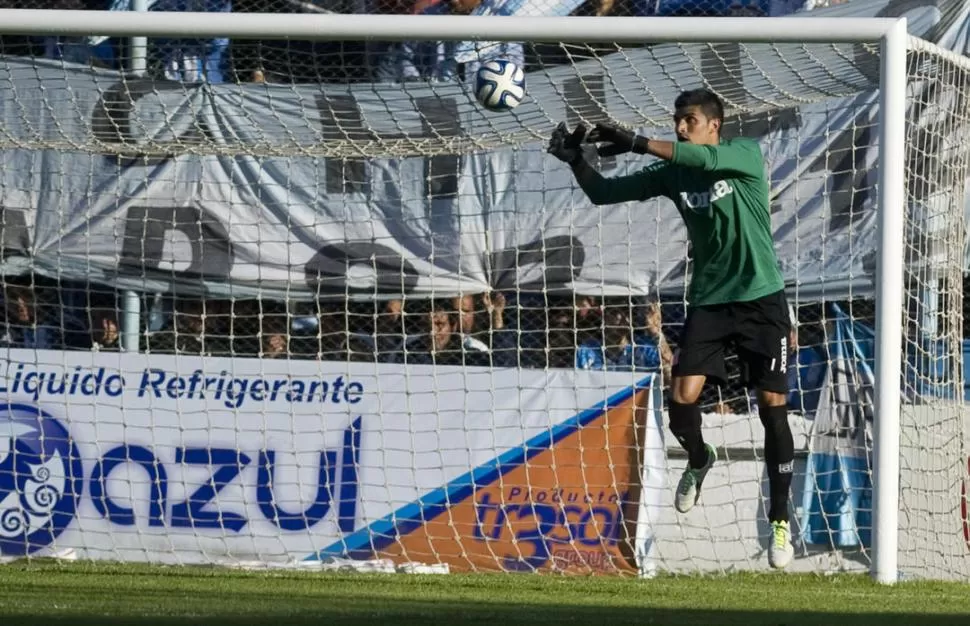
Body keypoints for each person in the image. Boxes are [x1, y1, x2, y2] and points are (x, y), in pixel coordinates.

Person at [546, 88, 795, 569]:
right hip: (709, 301)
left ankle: (780, 520)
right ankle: (701, 458)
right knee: (681, 400)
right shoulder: (674, 170)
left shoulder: (744, 153)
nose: (681, 127)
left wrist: (639, 141)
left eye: (689, 119)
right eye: (677, 120)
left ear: (714, 126)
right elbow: (605, 193)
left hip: (762, 299)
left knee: (773, 408)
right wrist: (576, 161)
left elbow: (692, 156)